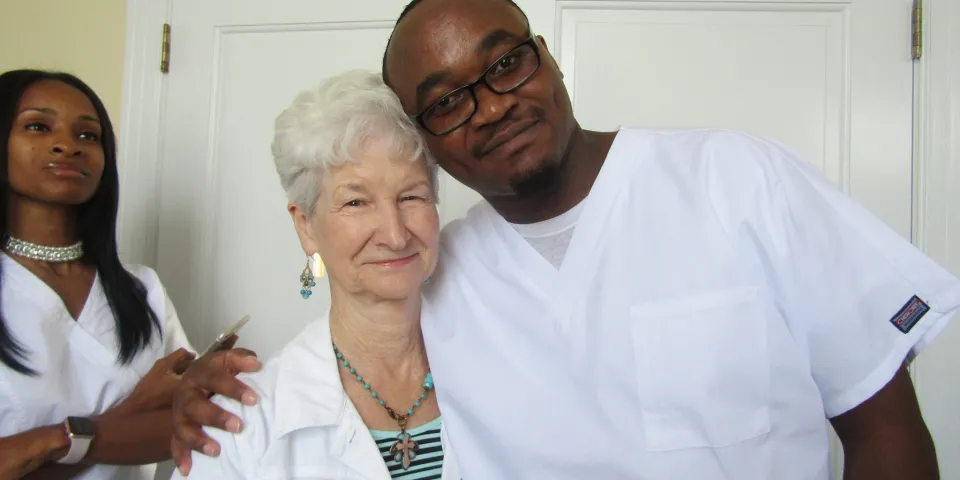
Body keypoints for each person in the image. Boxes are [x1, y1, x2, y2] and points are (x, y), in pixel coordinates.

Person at [170, 0, 960, 478]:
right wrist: (192, 396)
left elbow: (884, 428)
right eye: (446, 103)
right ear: (430, 137)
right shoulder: (449, 278)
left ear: (544, 57)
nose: (489, 108)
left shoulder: (734, 179)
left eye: (505, 65)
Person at [170, 70, 459, 479]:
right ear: (306, 225)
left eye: (411, 196)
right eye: (356, 202)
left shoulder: (495, 360)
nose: (395, 235)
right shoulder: (239, 422)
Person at [0, 69, 197, 480]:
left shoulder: (141, 290)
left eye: (88, 136)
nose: (67, 145)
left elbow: (186, 425)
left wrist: (48, 444)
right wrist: (130, 414)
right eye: (38, 126)